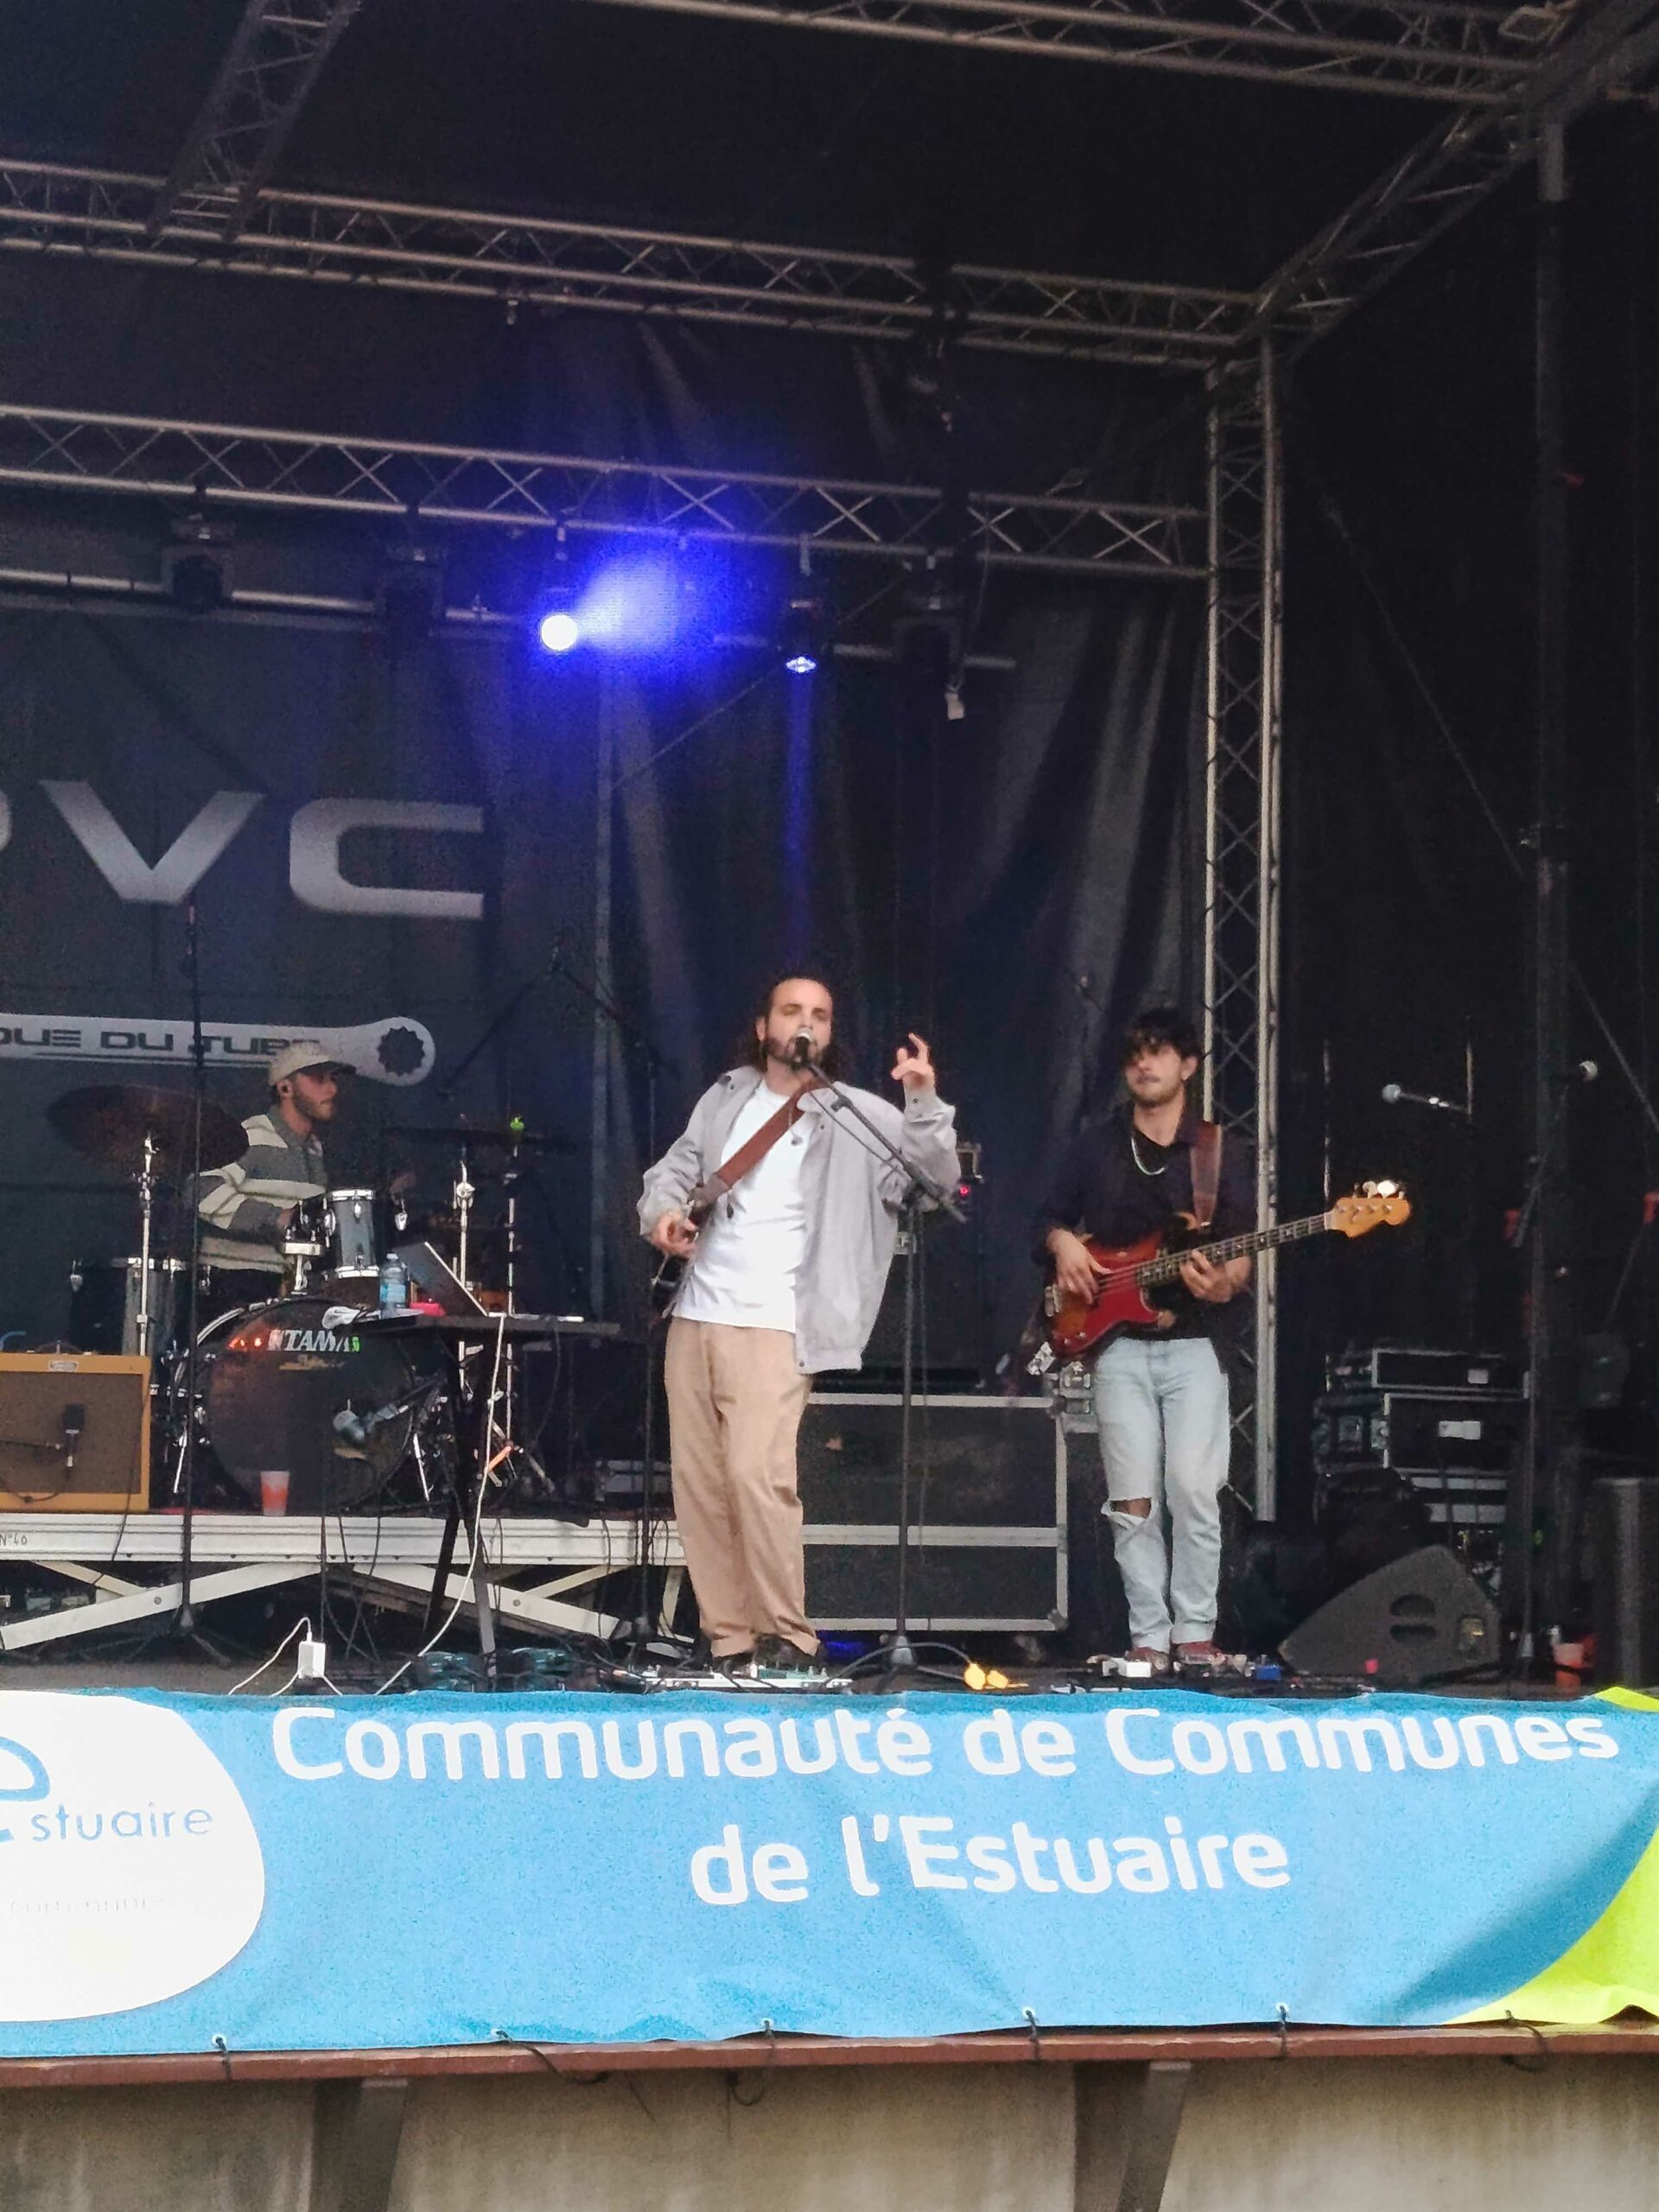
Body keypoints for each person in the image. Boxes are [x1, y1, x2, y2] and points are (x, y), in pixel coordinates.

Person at [639, 975, 959, 1672]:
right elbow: (673, 1172)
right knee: (701, 1487)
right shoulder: (724, 1097)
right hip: (696, 1315)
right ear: (764, 1028)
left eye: (819, 1014)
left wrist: (922, 1100)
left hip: (778, 1321)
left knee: (758, 1476)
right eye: (791, 1011)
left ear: (830, 1033)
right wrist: (662, 1215)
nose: (805, 1023)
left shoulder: (859, 1115)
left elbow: (933, 1182)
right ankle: (729, 1641)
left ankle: (789, 1637)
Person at [1036, 1006, 1255, 1672]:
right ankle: (1149, 1639)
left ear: (1187, 1065)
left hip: (1195, 1345)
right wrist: (1063, 1242)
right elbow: (1044, 1218)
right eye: (1134, 1053)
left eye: (1157, 1052)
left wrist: (1219, 1286)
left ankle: (1195, 1633)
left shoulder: (1218, 1152)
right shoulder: (1096, 1146)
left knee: (1193, 1488)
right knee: (1131, 1498)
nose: (1142, 1063)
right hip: (1118, 1346)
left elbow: (1240, 1257)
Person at [194, 1041, 340, 1316]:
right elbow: (200, 1190)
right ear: (285, 1088)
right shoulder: (252, 1135)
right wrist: (275, 1217)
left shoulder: (314, 1148)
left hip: (288, 1285)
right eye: (319, 1079)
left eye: (332, 1079)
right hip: (236, 1283)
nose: (332, 1089)